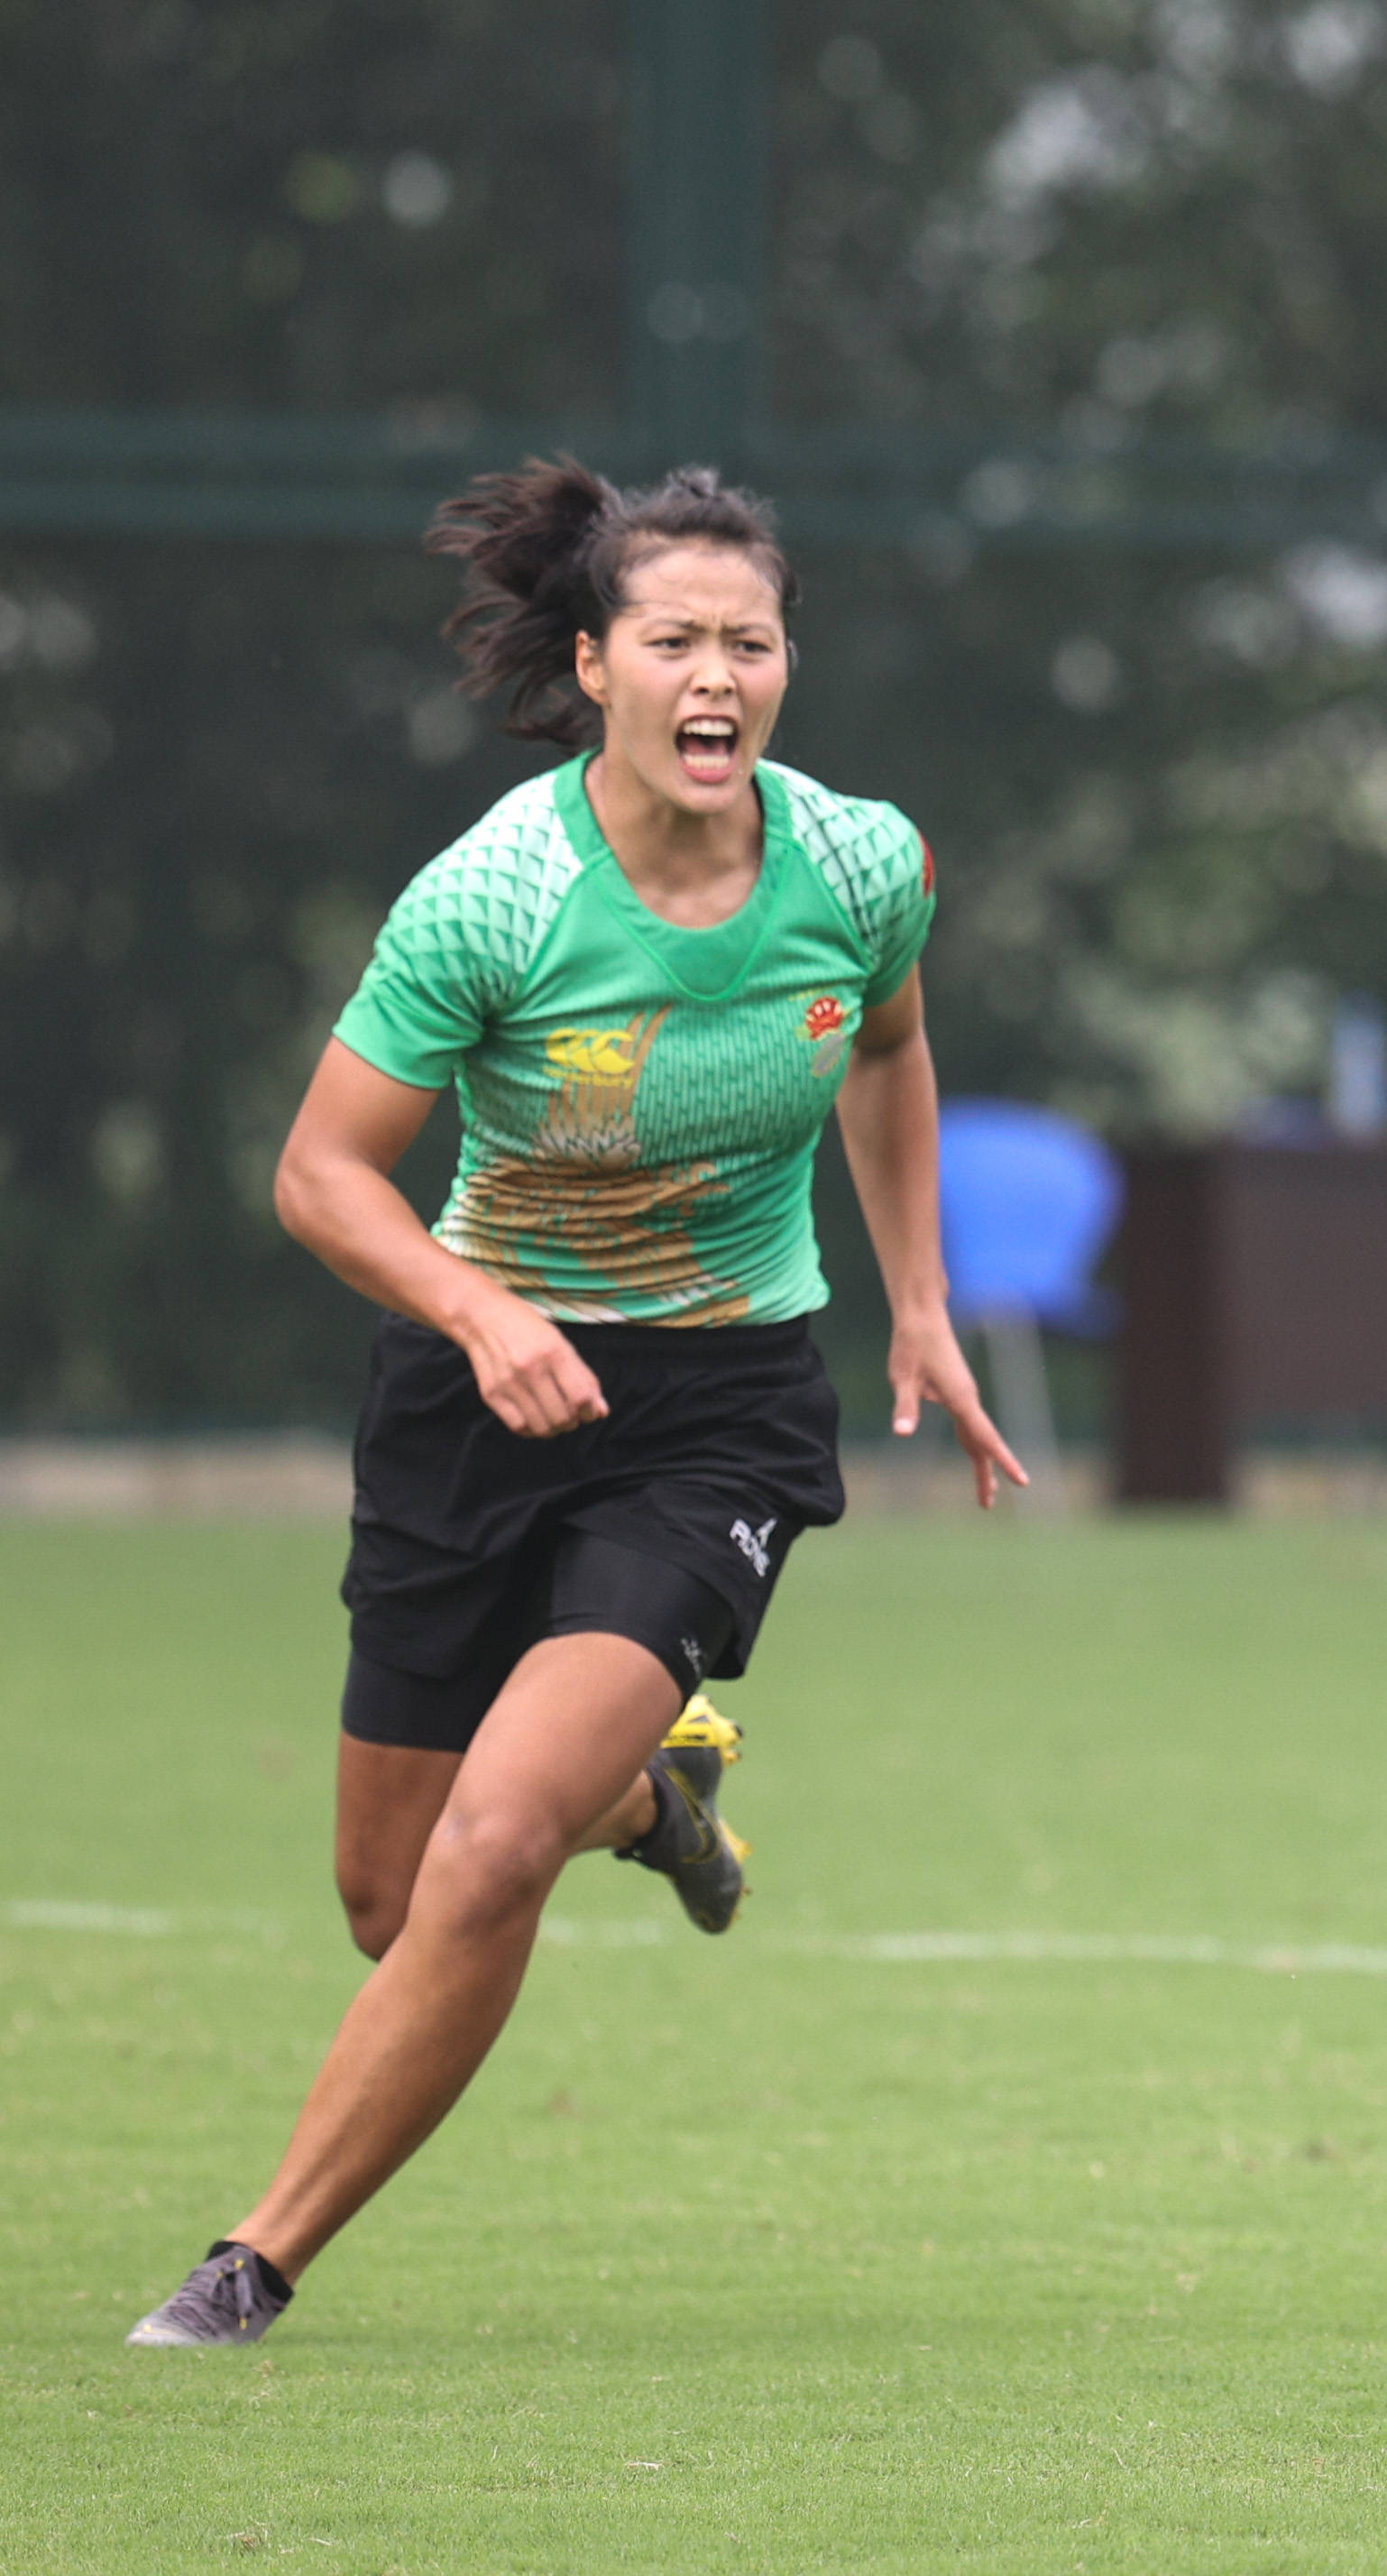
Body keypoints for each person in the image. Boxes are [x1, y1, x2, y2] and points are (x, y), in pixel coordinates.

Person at [125, 458, 1024, 2350]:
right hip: (481, 1393)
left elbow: (894, 1050)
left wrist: (921, 1301)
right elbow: (320, 1176)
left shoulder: (863, 864)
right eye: (678, 639)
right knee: (393, 1898)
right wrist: (474, 1311)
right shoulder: (493, 899)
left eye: (752, 641)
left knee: (490, 1848)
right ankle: (657, 1799)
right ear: (599, 663)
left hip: (724, 1413)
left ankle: (250, 2264)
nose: (720, 674)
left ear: (787, 667)